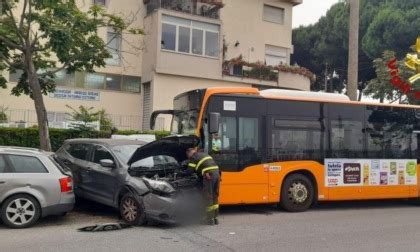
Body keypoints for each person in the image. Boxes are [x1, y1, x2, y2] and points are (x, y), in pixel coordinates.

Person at [186, 147, 220, 225]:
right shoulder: (204, 154)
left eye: (188, 155)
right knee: (214, 195)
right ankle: (215, 218)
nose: (188, 157)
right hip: (217, 174)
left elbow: (189, 171)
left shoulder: (194, 156)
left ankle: (209, 220)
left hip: (209, 175)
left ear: (189, 153)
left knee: (208, 196)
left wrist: (180, 173)